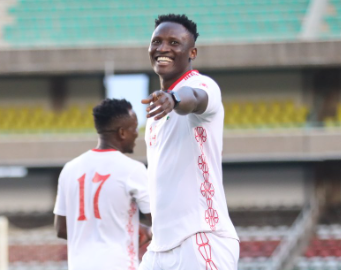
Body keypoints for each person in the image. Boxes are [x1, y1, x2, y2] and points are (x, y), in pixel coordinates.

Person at [139, 14, 239, 270]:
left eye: (174, 42)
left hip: (201, 237)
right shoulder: (155, 112)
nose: (163, 48)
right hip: (159, 248)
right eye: (157, 41)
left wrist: (174, 98)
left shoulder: (202, 84)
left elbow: (193, 97)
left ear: (192, 51)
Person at [54, 98, 152, 270]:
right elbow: (161, 222)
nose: (137, 133)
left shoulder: (70, 169)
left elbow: (61, 228)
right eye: (134, 128)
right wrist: (148, 231)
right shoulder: (132, 169)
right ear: (122, 132)